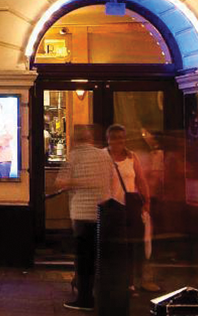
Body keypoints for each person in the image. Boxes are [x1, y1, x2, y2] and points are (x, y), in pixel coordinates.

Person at [56, 125, 122, 312]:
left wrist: (77, 183)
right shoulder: (104, 155)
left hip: (82, 214)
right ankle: (102, 294)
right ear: (91, 138)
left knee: (83, 258)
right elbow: (111, 179)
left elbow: (60, 182)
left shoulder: (74, 156)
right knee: (97, 257)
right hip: (102, 213)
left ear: (75, 140)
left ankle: (84, 298)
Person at [107, 125, 158, 294]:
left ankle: (129, 282)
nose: (119, 141)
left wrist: (146, 201)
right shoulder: (103, 157)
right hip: (110, 208)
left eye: (121, 137)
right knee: (113, 247)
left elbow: (141, 181)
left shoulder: (131, 157)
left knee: (129, 247)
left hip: (128, 207)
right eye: (115, 137)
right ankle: (114, 280)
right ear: (109, 139)